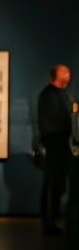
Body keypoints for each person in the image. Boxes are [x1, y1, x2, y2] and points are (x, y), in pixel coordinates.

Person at [36, 63, 72, 236]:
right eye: (64, 71)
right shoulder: (48, 94)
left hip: (63, 145)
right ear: (56, 75)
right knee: (51, 183)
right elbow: (50, 122)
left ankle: (54, 221)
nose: (68, 74)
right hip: (54, 144)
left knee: (58, 184)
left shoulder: (64, 95)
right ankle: (48, 224)